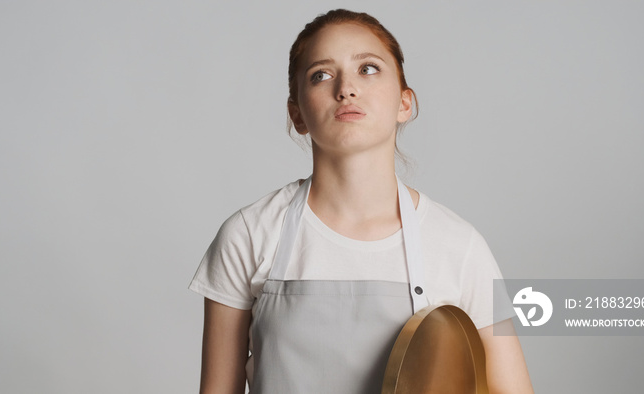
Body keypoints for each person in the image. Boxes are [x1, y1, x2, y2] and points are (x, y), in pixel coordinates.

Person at [190, 9, 533, 394]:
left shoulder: (462, 247)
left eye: (368, 69)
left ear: (405, 103)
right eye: (320, 75)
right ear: (297, 113)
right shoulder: (249, 235)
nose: (346, 88)